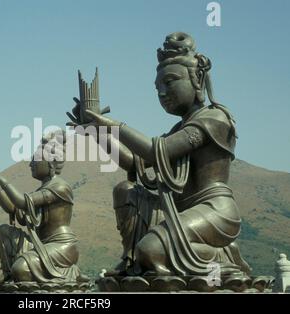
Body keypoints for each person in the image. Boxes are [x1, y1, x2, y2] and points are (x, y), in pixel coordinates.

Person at [67, 32, 251, 277]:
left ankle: (223, 255)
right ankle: (132, 257)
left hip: (213, 211)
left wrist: (110, 125)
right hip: (180, 211)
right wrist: (95, 131)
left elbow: (156, 152)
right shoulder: (178, 130)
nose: (162, 92)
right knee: (125, 190)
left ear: (197, 79)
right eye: (157, 88)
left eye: (170, 82)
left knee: (152, 251)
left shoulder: (214, 119)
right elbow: (134, 162)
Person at [0, 130, 86, 283]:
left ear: (50, 163)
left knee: (21, 268)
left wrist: (3, 182)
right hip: (41, 244)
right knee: (3, 231)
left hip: (61, 246)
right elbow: (14, 209)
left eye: (35, 161)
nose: (31, 165)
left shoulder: (60, 187)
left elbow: (23, 202)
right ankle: (8, 273)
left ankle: (65, 271)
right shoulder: (42, 190)